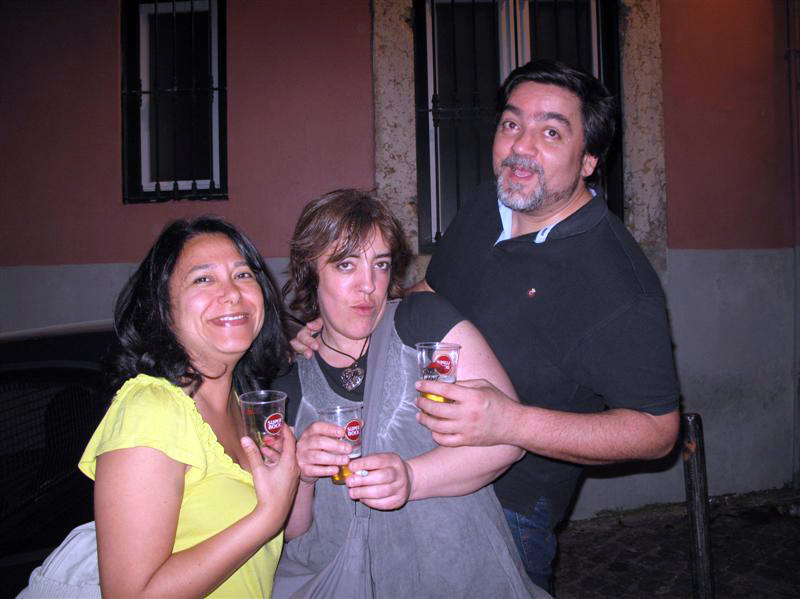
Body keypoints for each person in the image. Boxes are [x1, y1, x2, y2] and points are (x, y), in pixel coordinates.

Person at [293, 59, 681, 592]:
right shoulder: (486, 203)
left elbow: (657, 432)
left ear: (589, 159)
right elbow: (432, 291)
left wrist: (511, 423)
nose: (521, 146)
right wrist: (345, 321)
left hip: (510, 507)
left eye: (551, 132)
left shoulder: (618, 284)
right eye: (511, 123)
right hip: (414, 459)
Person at [272, 189, 548, 598]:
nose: (368, 285)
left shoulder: (423, 324)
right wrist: (303, 475)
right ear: (310, 271)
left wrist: (413, 477)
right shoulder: (288, 387)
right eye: (346, 264)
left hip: (455, 573)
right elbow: (293, 531)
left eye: (380, 264)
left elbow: (509, 440)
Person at [78, 217, 300, 597]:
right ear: (164, 308)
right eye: (203, 279)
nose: (232, 293)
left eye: (243, 275)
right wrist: (267, 516)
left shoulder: (242, 405)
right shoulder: (150, 410)